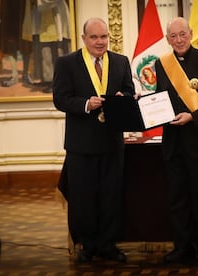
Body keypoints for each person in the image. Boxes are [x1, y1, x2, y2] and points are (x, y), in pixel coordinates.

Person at [52, 17, 135, 263]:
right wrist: (86, 104)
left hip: (112, 142)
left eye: (104, 37)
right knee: (83, 198)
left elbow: (130, 91)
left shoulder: (120, 61)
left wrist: (124, 97)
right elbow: (61, 99)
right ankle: (87, 246)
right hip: (81, 144)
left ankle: (108, 246)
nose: (100, 42)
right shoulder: (67, 63)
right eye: (95, 37)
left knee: (111, 197)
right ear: (84, 38)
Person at [154, 17, 198, 263]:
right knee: (178, 198)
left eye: (182, 34)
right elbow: (160, 99)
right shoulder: (161, 64)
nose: (179, 40)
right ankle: (182, 246)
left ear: (190, 34)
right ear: (167, 39)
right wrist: (148, 104)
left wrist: (192, 117)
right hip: (173, 143)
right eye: (173, 36)